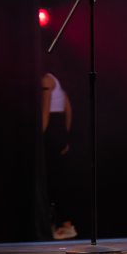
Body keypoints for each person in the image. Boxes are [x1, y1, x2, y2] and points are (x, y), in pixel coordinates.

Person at [42, 72, 77, 240]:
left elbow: (45, 112)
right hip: (58, 130)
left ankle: (66, 224)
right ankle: (63, 223)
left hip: (51, 131)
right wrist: (65, 134)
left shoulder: (46, 80)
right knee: (58, 178)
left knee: (54, 179)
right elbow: (69, 109)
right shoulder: (56, 79)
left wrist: (39, 136)